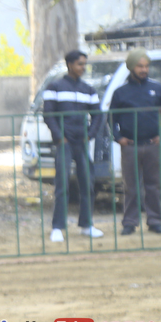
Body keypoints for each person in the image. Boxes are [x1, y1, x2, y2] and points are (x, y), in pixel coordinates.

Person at [43, 49, 103, 242]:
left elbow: (98, 115)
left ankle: (86, 225)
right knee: (62, 184)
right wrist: (59, 136)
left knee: (87, 182)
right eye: (80, 64)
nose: (83, 68)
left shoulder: (88, 89)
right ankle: (57, 227)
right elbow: (48, 114)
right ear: (69, 65)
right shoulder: (55, 87)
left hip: (81, 141)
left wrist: (90, 135)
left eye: (85, 64)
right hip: (64, 142)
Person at [110, 48, 161, 235]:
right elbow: (111, 118)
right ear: (131, 67)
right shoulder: (120, 92)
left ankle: (155, 221)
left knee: (154, 185)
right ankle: (129, 223)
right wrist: (118, 138)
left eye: (146, 66)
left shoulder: (157, 88)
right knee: (131, 187)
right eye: (140, 66)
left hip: (152, 145)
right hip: (130, 146)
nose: (144, 70)